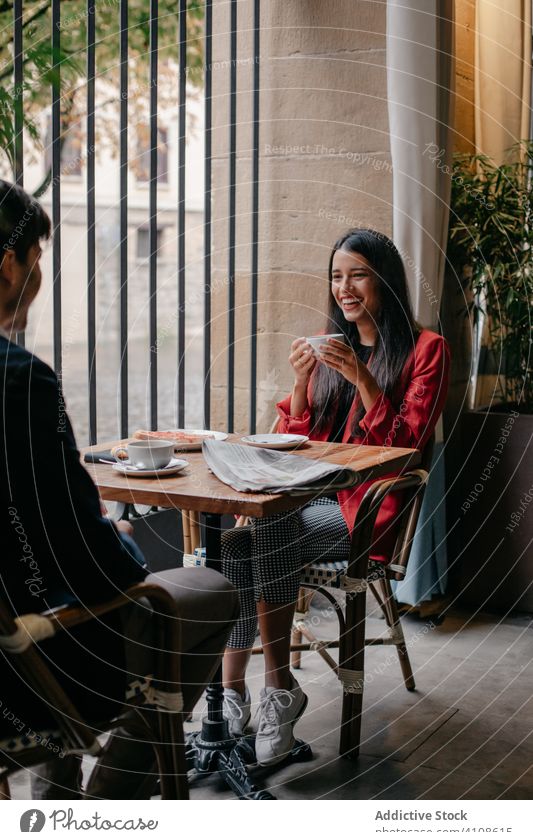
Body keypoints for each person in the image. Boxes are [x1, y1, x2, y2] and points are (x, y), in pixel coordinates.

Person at [0, 179, 239, 799]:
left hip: (22, 639)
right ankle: (105, 805)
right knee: (208, 593)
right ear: (9, 265)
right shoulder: (21, 384)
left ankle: (56, 800)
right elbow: (93, 563)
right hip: (34, 669)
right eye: (39, 261)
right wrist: (122, 542)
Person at [220, 228, 450, 766]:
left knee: (267, 528)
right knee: (236, 542)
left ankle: (277, 691)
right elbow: (295, 434)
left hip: (367, 511)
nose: (344, 288)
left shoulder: (426, 349)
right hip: (308, 499)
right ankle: (233, 693)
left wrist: (364, 378)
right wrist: (301, 383)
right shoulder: (330, 345)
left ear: (385, 282)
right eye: (336, 277)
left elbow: (407, 449)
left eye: (358, 275)